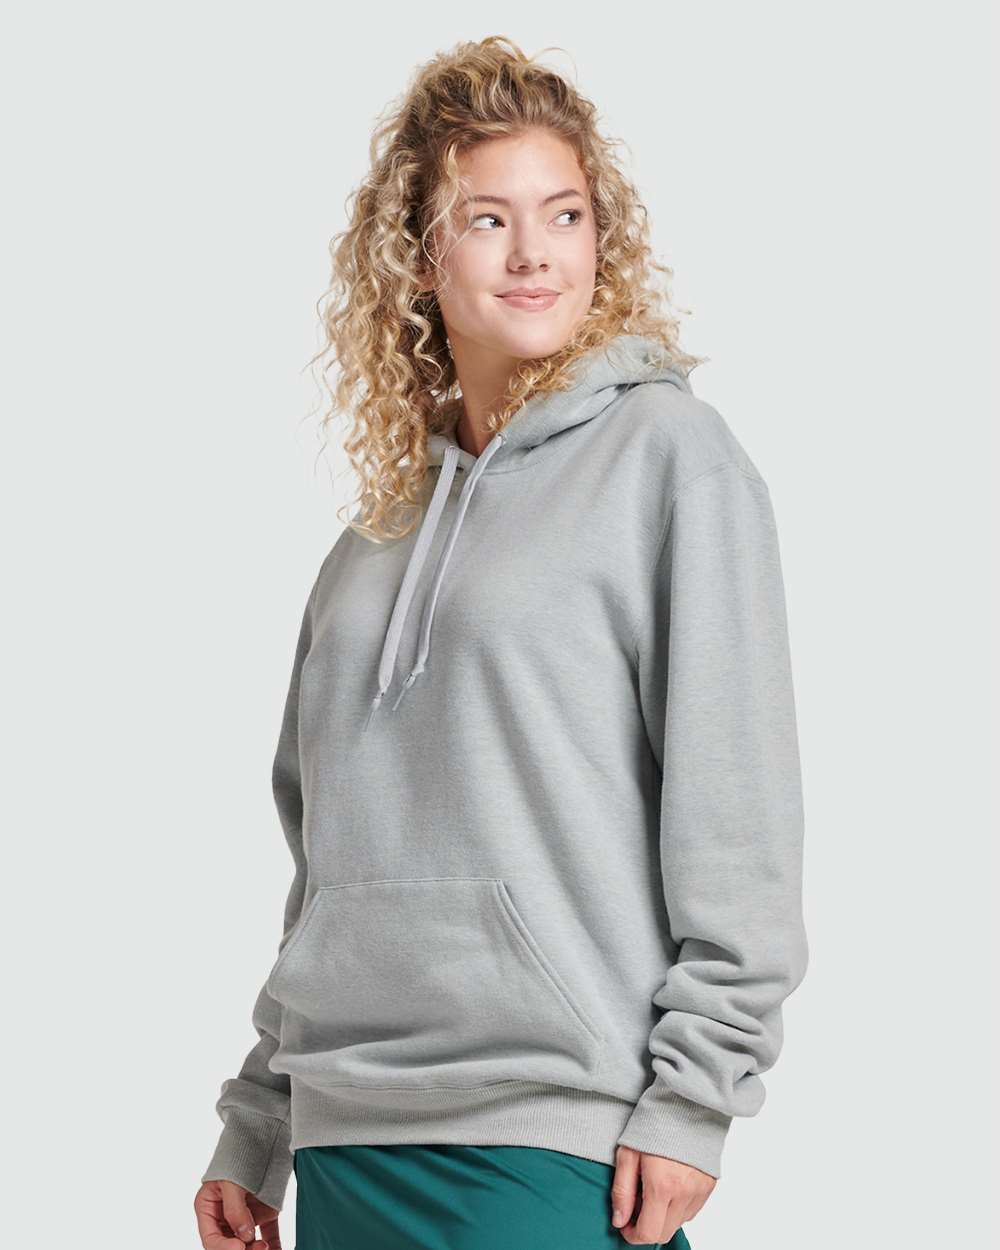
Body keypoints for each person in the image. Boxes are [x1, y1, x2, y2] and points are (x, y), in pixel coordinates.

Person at [193, 34, 809, 1250]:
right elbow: (327, 863)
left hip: (553, 1125)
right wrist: (259, 1117)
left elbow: (737, 806)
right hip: (345, 1136)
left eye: (564, 214)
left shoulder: (668, 460)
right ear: (419, 256)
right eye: (487, 219)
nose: (534, 253)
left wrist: (697, 1094)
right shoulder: (373, 538)